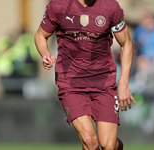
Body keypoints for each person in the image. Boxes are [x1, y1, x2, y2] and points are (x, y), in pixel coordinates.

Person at [35, 0, 136, 149]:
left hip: (104, 82)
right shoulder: (57, 6)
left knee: (108, 145)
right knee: (89, 140)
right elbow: (40, 35)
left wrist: (123, 84)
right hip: (70, 83)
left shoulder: (110, 6)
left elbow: (126, 43)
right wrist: (45, 53)